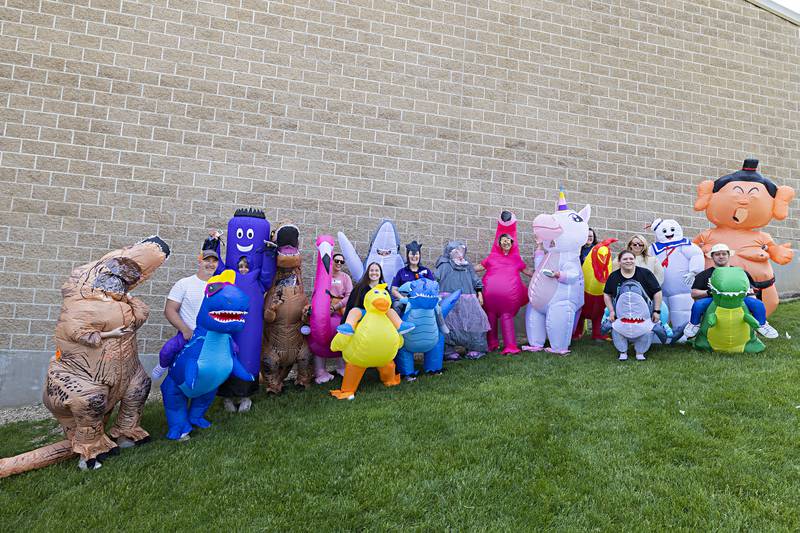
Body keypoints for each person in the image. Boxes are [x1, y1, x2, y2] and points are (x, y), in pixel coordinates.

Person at [682, 243, 778, 339]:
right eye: (717, 254)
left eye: (724, 254)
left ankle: (762, 324)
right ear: (712, 256)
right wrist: (708, 292)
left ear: (728, 255)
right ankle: (694, 324)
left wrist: (752, 302)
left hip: (738, 300)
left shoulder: (740, 272)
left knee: (758, 304)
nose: (721, 256)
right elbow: (694, 293)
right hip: (714, 301)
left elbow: (750, 290)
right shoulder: (703, 275)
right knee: (698, 305)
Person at [604, 250, 662, 360]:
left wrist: (656, 311)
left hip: (644, 315)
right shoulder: (614, 276)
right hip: (621, 315)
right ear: (619, 262)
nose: (628, 261)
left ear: (635, 260)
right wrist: (611, 311)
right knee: (616, 328)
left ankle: (640, 352)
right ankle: (622, 351)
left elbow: (657, 292)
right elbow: (607, 294)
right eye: (625, 259)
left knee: (647, 330)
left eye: (631, 258)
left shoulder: (645, 273)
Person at [435, 240, 490, 360]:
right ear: (450, 253)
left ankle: (476, 348)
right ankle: (448, 351)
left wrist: (479, 293)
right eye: (456, 252)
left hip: (468, 300)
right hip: (449, 300)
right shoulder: (444, 265)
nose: (460, 254)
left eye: (461, 251)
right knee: (448, 323)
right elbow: (436, 279)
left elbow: (475, 279)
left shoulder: (467, 265)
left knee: (473, 322)